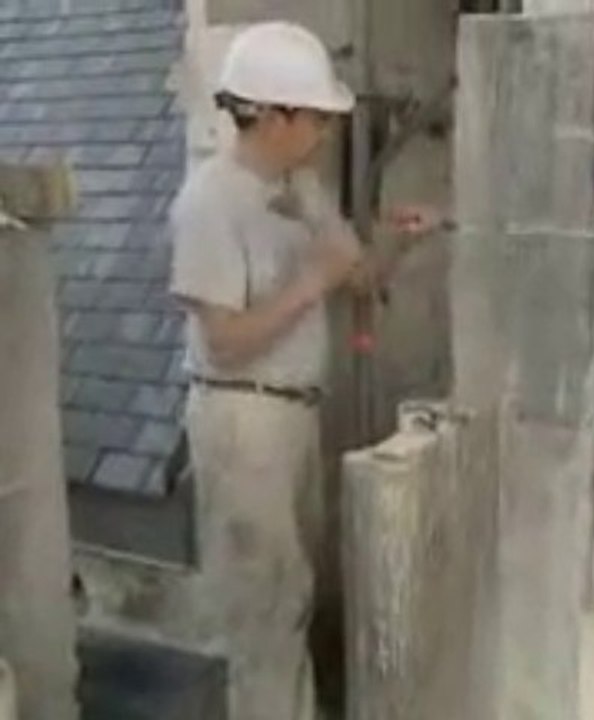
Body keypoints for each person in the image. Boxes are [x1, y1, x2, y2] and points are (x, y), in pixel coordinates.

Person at [168, 21, 441, 719]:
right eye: (315, 117)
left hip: (291, 415)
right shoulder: (209, 201)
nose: (324, 132)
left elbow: (356, 278)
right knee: (263, 612)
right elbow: (224, 341)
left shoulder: (304, 190)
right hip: (240, 418)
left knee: (293, 596)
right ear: (272, 114)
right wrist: (310, 283)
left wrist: (393, 247)